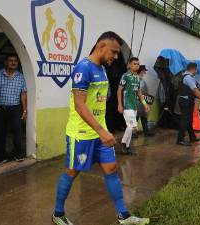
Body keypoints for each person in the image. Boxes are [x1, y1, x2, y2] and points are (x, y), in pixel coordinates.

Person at [52, 31, 150, 225]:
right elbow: (80, 105)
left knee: (112, 169)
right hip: (81, 135)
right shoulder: (83, 68)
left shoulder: (103, 69)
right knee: (72, 172)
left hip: (99, 132)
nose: (115, 56)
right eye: (113, 52)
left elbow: (100, 98)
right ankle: (58, 214)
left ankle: (124, 216)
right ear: (101, 46)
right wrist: (101, 130)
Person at [0, 54, 27, 164]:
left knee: (17, 132)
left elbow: (23, 94)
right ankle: (2, 156)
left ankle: (18, 154)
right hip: (0, 109)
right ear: (5, 62)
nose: (13, 63)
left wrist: (24, 110)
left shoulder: (20, 77)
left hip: (15, 109)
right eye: (11, 60)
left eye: (15, 61)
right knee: (1, 133)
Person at [117, 57, 150, 155]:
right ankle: (123, 143)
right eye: (134, 64)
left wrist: (145, 104)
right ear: (130, 65)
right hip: (127, 106)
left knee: (130, 127)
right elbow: (119, 90)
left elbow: (139, 93)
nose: (136, 65)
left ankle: (127, 147)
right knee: (132, 126)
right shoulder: (125, 76)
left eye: (138, 64)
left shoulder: (137, 78)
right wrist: (119, 104)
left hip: (134, 106)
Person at [176, 62, 200, 146]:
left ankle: (192, 137)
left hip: (187, 100)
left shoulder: (187, 76)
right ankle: (180, 139)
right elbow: (195, 90)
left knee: (189, 119)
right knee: (185, 120)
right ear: (193, 69)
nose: (196, 71)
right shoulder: (188, 77)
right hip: (185, 101)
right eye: (196, 69)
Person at [137, 65, 153, 137]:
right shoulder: (137, 80)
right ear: (141, 71)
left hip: (142, 102)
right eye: (144, 71)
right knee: (135, 118)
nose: (145, 73)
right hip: (138, 101)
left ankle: (146, 132)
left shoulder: (141, 80)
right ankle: (132, 133)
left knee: (143, 117)